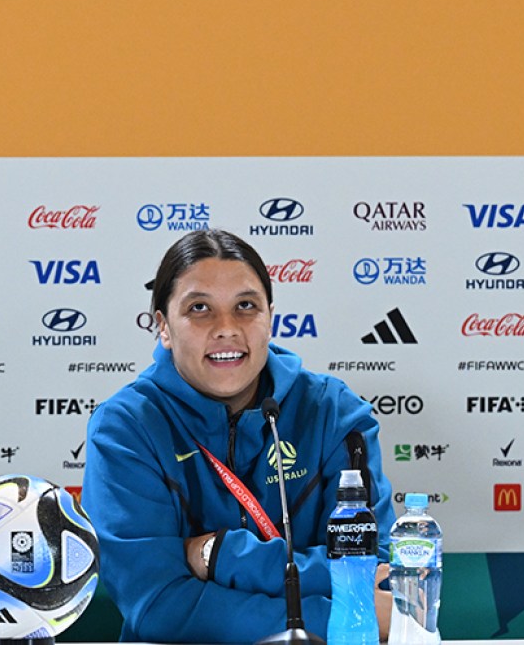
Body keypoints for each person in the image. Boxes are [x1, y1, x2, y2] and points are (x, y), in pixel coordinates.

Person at [82, 229, 395, 643]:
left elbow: (380, 572)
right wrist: (337, 619)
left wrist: (219, 555)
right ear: (163, 326)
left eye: (245, 306)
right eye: (199, 308)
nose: (226, 328)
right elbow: (157, 606)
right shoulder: (126, 428)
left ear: (270, 317)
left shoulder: (333, 412)